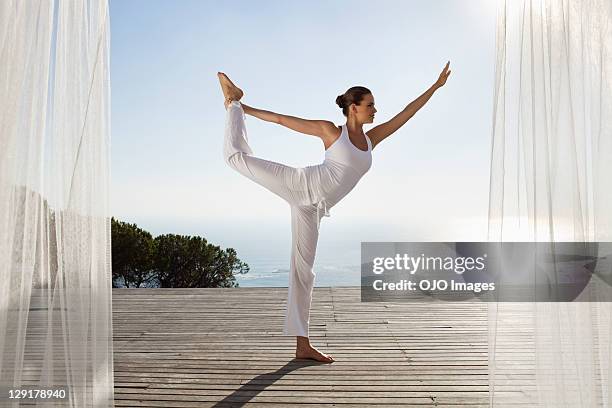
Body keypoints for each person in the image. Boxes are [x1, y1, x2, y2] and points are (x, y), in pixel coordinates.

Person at [218, 63, 451, 363]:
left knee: (305, 272)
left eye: (374, 105)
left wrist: (434, 87)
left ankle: (302, 344)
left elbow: (407, 113)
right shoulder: (331, 132)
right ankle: (231, 103)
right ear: (353, 108)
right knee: (234, 157)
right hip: (299, 184)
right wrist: (242, 106)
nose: (375, 110)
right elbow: (280, 120)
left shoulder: (371, 140)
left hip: (313, 209)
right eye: (370, 105)